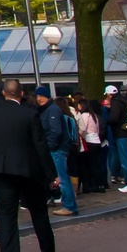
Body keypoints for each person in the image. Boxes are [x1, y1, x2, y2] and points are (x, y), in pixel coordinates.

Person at [0, 79, 61, 252]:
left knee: (6, 212)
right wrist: (51, 174)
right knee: (39, 212)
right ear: (22, 94)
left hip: (1, 168)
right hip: (27, 169)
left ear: (4, 93)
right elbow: (40, 146)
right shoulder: (30, 113)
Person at [35, 87, 78, 216]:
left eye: (41, 96)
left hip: (57, 149)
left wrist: (49, 147)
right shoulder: (49, 110)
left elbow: (56, 132)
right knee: (62, 177)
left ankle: (69, 206)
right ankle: (69, 205)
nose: (39, 99)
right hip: (56, 148)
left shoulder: (52, 110)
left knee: (62, 178)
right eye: (37, 96)